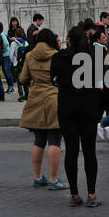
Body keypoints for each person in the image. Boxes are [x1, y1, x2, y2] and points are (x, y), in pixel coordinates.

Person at [50, 26, 102, 206]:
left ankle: (74, 194)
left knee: (71, 151)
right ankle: (92, 195)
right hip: (88, 106)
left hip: (67, 107)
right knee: (89, 151)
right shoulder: (92, 58)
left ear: (69, 40)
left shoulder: (58, 57)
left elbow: (53, 79)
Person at [20, 29, 66, 188]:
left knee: (39, 141)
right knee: (55, 140)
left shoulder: (29, 55)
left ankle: (38, 176)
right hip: (55, 99)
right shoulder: (56, 55)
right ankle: (54, 179)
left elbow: (23, 78)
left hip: (36, 100)